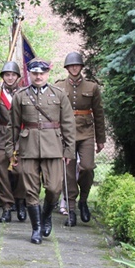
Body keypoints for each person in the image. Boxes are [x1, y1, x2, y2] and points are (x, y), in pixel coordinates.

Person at [6, 59, 76, 244]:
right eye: (35, 73)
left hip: (53, 146)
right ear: (29, 74)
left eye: (42, 73)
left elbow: (68, 124)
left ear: (47, 74)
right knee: (31, 190)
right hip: (28, 147)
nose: (38, 76)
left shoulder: (59, 95)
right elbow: (13, 125)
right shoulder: (21, 96)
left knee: (54, 188)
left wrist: (69, 151)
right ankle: (36, 228)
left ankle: (46, 216)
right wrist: (11, 150)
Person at [54, 52, 106, 226]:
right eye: (71, 66)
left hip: (86, 133)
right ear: (67, 68)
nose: (74, 68)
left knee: (87, 167)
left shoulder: (92, 87)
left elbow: (98, 114)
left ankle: (83, 199)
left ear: (81, 67)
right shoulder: (59, 87)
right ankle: (71, 209)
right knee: (67, 173)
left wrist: (101, 138)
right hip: (66, 133)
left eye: (77, 65)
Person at [0, 61, 27, 223]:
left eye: (13, 75)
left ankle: (20, 201)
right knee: (2, 174)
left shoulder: (24, 92)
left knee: (21, 172)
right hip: (1, 136)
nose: (10, 78)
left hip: (21, 137)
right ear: (3, 76)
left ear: (17, 77)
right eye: (7, 75)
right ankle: (6, 207)